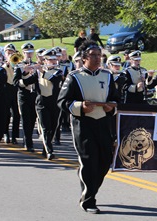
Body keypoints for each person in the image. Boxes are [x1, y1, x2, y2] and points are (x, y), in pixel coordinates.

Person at [58, 40, 118, 214]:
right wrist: (80, 107)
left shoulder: (107, 75)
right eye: (93, 55)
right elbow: (62, 101)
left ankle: (89, 189)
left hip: (104, 124)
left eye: (100, 55)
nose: (98, 58)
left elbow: (116, 99)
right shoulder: (74, 76)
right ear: (84, 57)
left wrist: (111, 107)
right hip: (83, 125)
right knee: (89, 162)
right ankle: (89, 200)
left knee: (105, 161)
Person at [35, 49, 62, 160]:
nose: (53, 61)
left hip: (55, 102)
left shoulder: (58, 71)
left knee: (53, 127)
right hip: (42, 102)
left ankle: (45, 147)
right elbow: (25, 82)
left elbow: (55, 80)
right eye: (50, 60)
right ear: (45, 60)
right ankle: (50, 150)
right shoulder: (37, 71)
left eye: (54, 59)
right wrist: (26, 72)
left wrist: (42, 71)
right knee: (46, 127)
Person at [13, 42, 38, 152]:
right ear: (23, 53)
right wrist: (24, 73)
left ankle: (28, 138)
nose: (29, 55)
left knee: (33, 119)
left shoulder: (36, 65)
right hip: (23, 95)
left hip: (34, 95)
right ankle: (28, 142)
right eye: (27, 53)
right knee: (26, 119)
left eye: (31, 52)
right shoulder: (18, 66)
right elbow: (15, 82)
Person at [2, 43, 20, 145]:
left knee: (16, 115)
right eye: (8, 52)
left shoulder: (18, 64)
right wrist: (8, 63)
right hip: (6, 90)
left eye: (12, 52)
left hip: (15, 89)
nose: (10, 54)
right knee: (6, 114)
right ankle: (5, 133)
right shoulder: (2, 65)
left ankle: (14, 136)